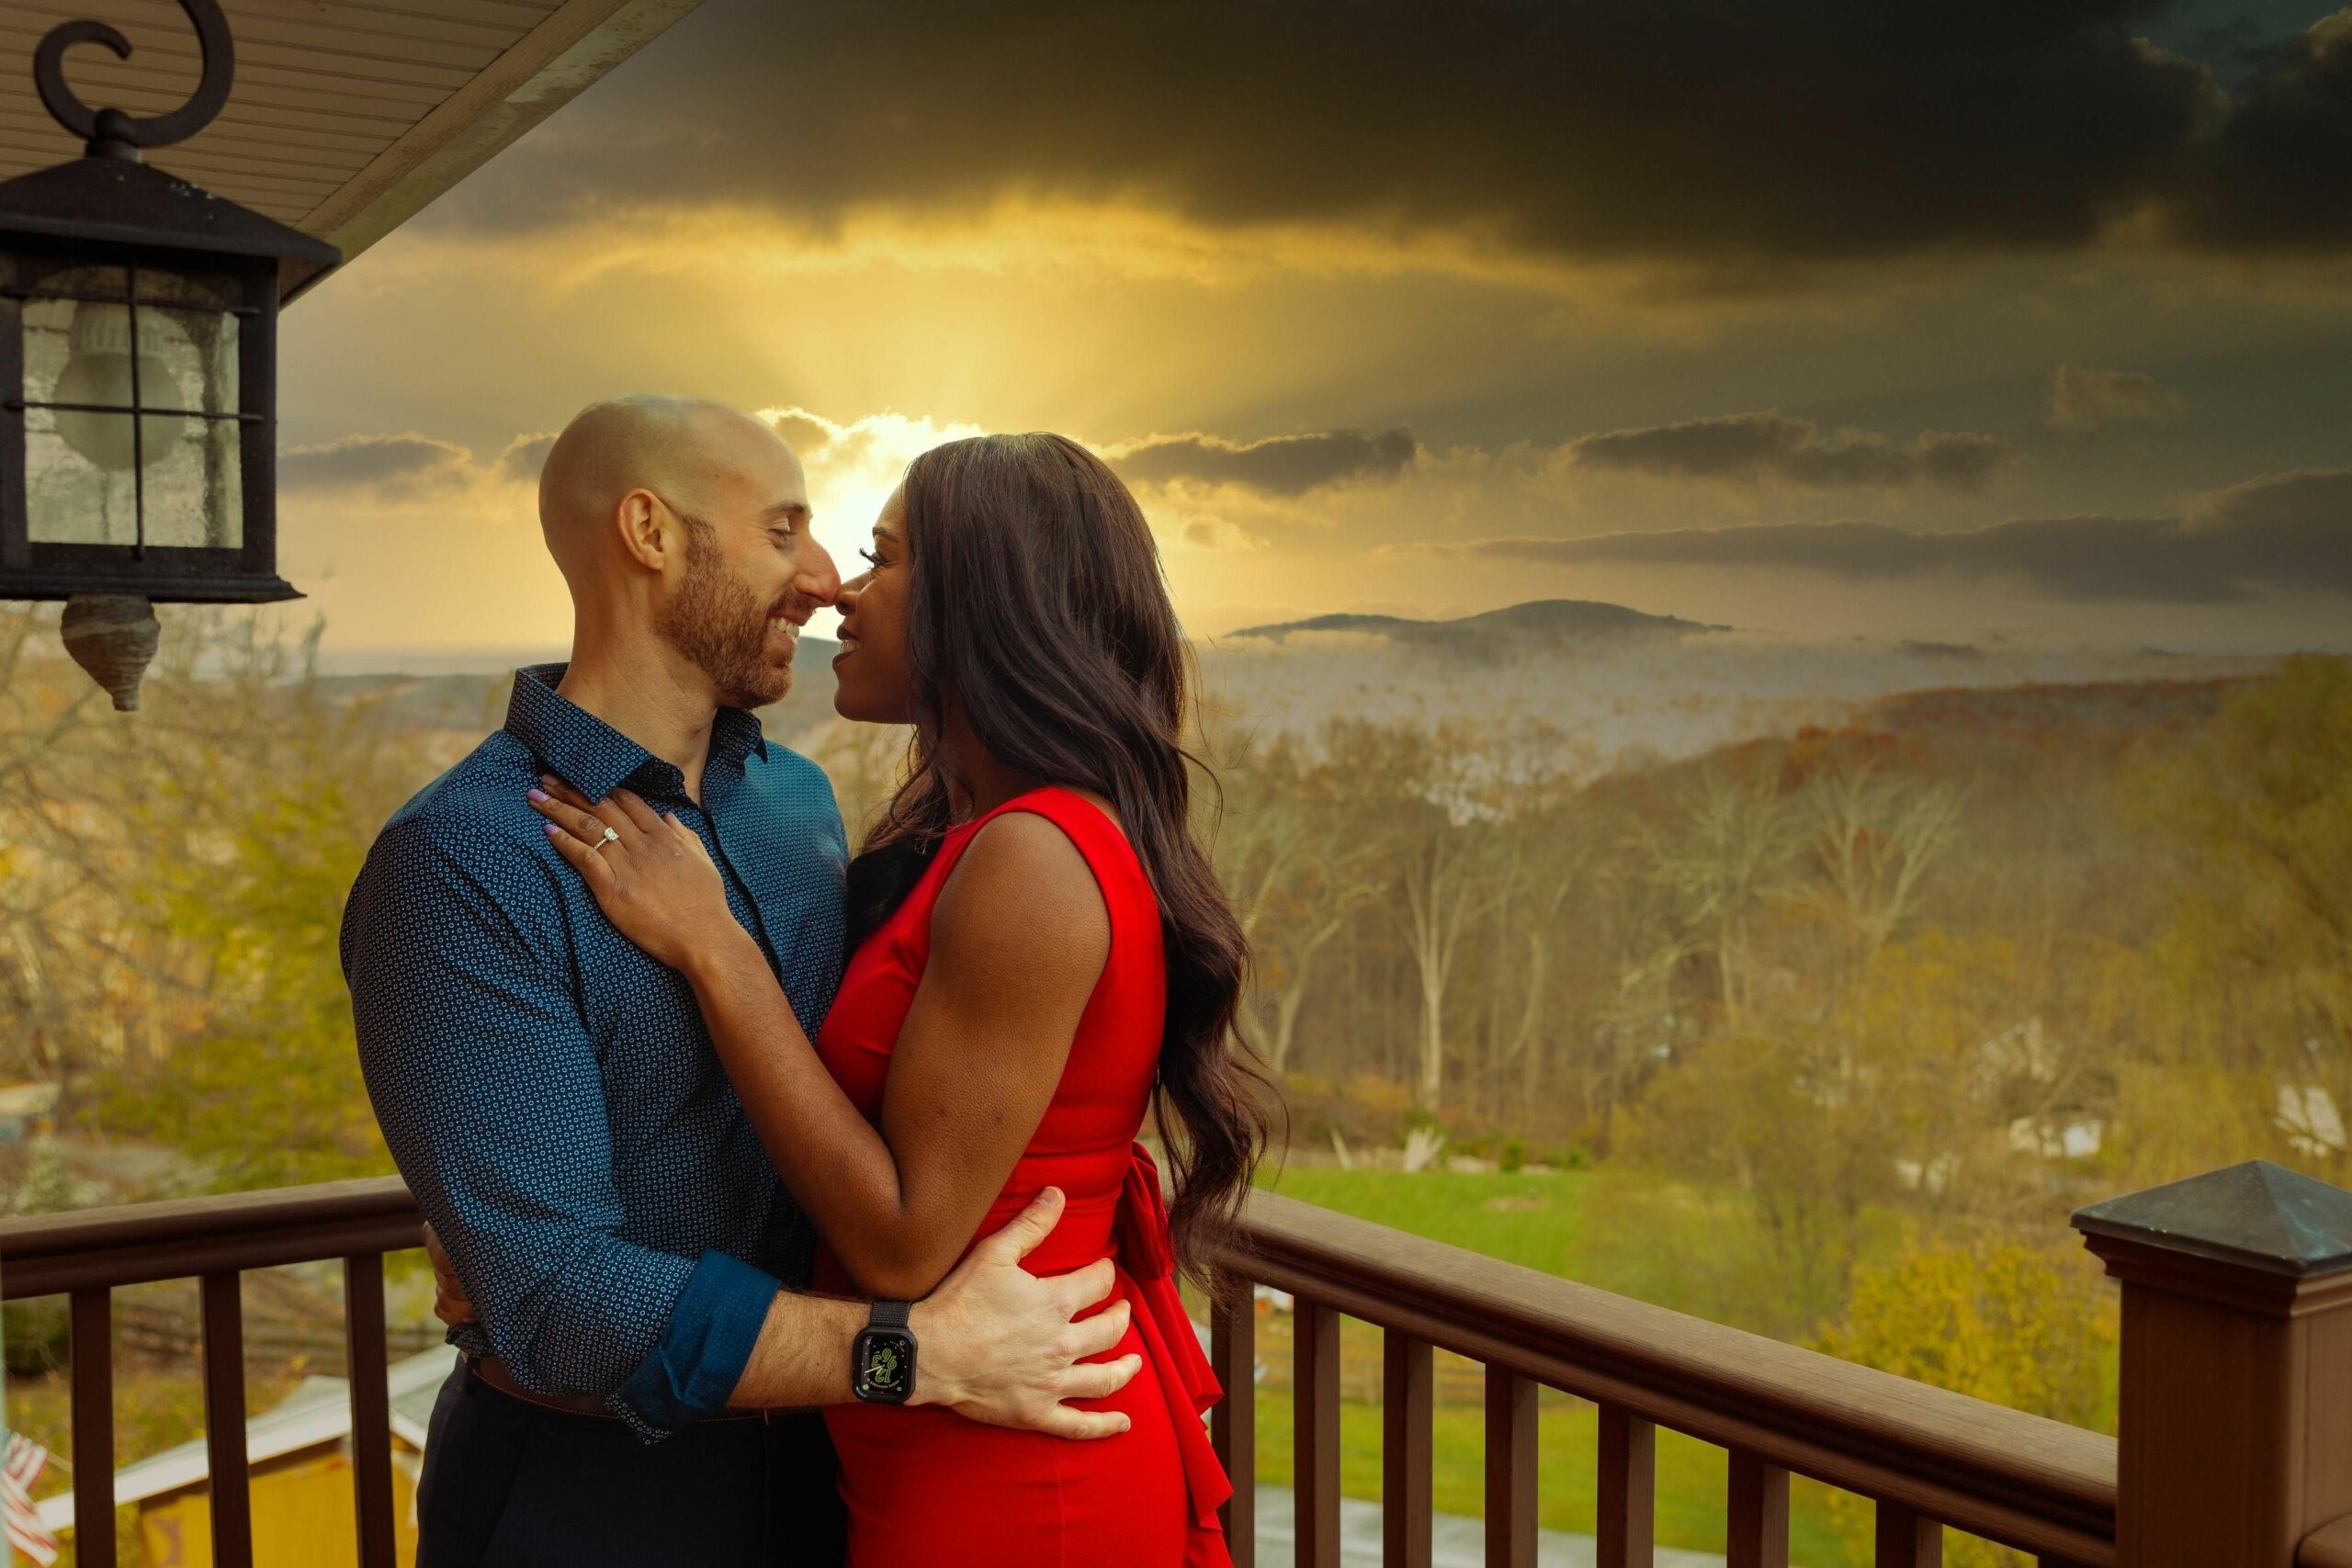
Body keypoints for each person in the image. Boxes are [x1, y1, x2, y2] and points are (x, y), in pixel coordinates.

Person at [344, 399, 1142, 1568]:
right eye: (784, 533)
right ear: (650, 533)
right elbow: (565, 1304)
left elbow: (926, 1079)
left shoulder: (798, 808)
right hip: (598, 1500)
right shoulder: (463, 863)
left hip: (840, 1479)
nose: (823, 581)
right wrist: (910, 1353)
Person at [515, 432, 1269, 1566]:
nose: (839, 593)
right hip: (934, 1429)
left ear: (983, 604)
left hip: (1013, 1475)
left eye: (881, 559)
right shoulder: (969, 838)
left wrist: (714, 949)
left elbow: (906, 1246)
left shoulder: (1035, 858)